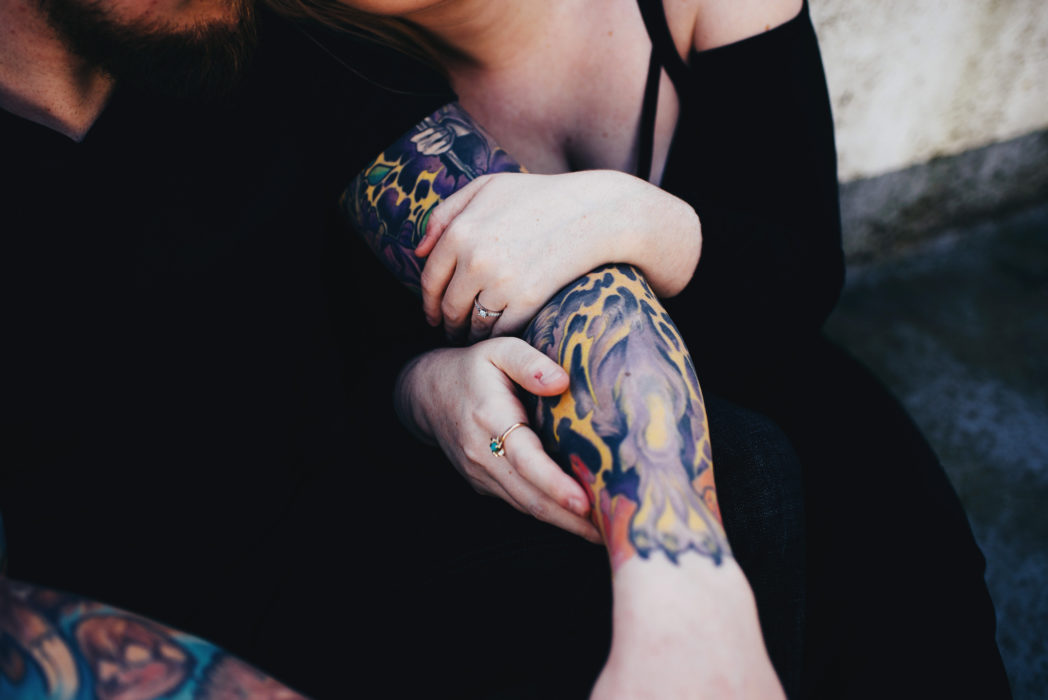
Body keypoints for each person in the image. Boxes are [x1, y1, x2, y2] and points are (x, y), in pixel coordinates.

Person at [1, 0, 791, 697]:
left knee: (739, 473)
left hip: (350, 566)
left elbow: (543, 263)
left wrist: (678, 575)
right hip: (103, 629)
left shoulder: (266, 40)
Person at [274, 0, 1013, 697]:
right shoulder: (320, 49)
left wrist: (628, 217)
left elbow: (803, 269)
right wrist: (420, 386)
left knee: (908, 611)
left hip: (772, 370)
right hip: (530, 470)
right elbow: (318, 355)